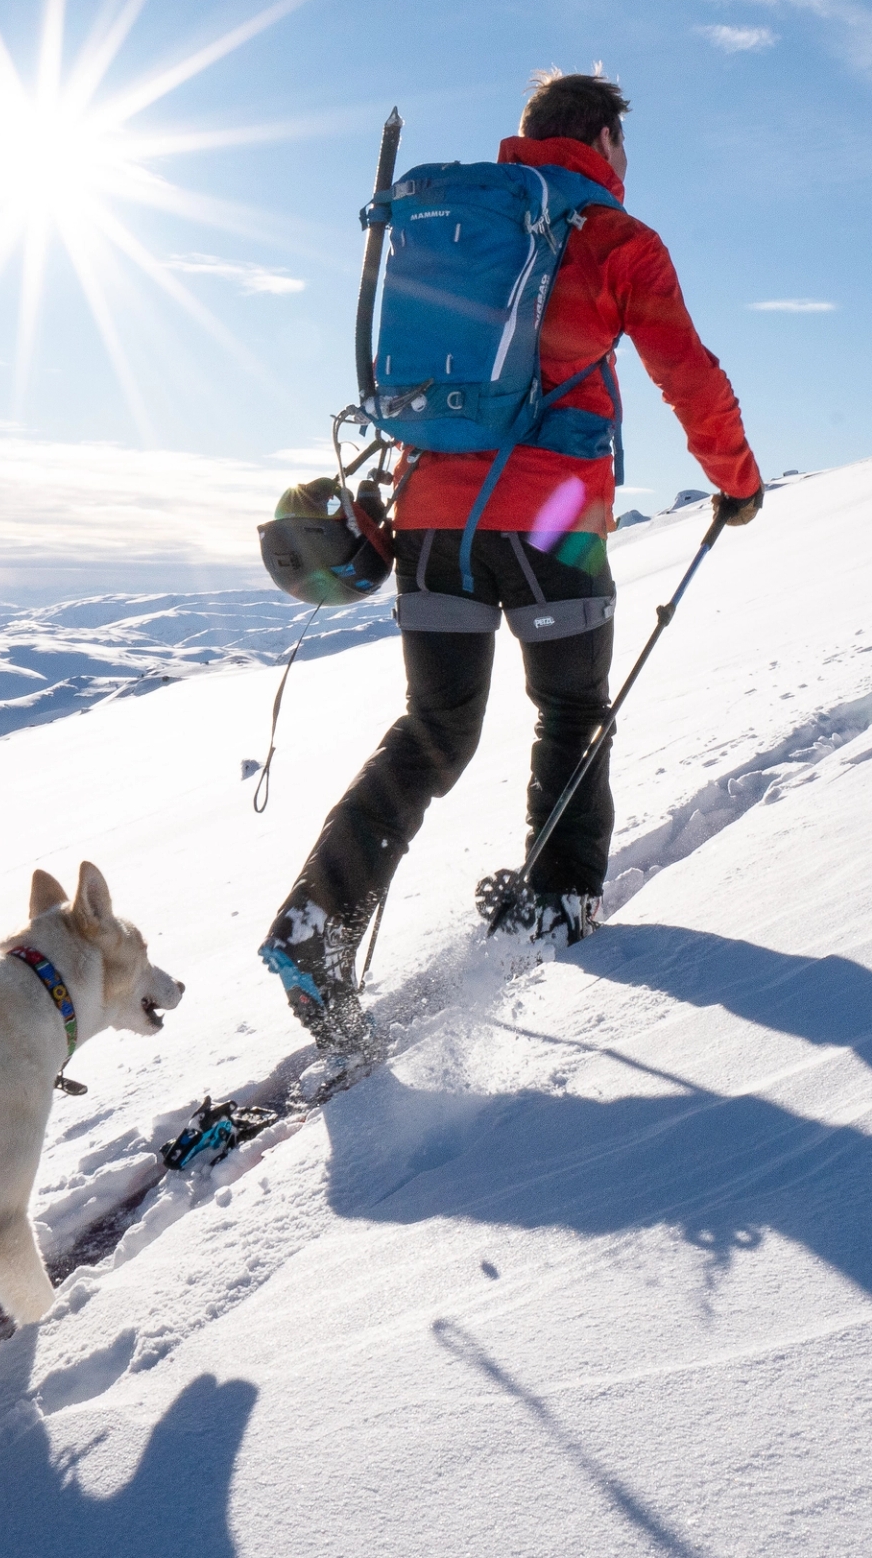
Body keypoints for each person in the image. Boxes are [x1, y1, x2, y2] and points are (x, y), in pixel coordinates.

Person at [260, 71, 765, 1048]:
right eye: (626, 145)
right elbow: (687, 373)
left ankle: (314, 924)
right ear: (606, 139)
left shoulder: (456, 222)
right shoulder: (615, 237)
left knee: (434, 731)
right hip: (551, 522)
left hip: (434, 523)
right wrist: (736, 481)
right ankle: (556, 907)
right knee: (571, 710)